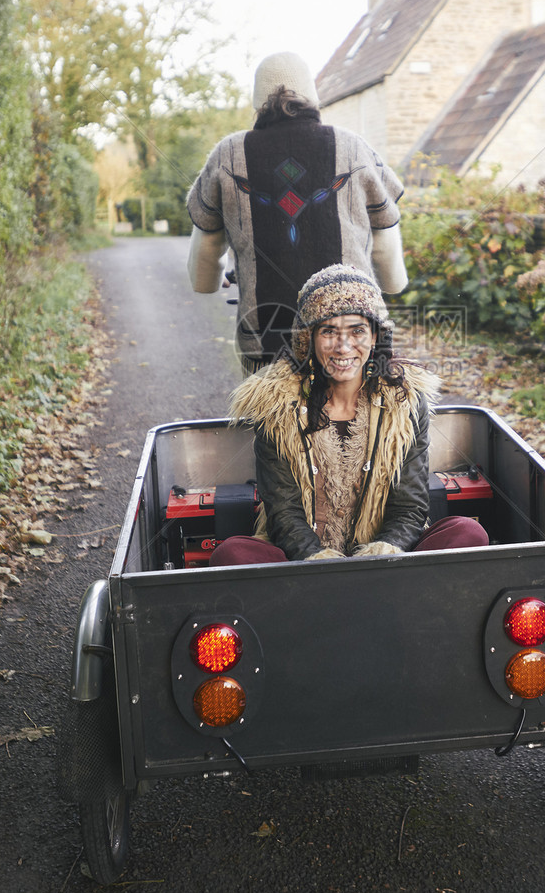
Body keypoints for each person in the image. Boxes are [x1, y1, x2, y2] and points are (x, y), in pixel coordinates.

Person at [208, 264, 489, 565]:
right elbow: (283, 511)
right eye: (329, 331)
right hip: (301, 564)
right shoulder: (277, 405)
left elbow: (409, 507)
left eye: (357, 330)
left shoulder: (404, 402)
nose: (343, 347)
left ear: (375, 336)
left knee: (468, 532)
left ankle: (385, 587)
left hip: (389, 562)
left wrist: (383, 554)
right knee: (232, 553)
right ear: (309, 339)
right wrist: (318, 560)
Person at [186, 52, 408, 374]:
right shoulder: (353, 149)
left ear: (257, 101)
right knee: (357, 419)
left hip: (265, 342)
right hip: (351, 339)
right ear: (312, 96)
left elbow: (207, 245)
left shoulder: (228, 155)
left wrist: (207, 281)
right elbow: (385, 236)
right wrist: (392, 285)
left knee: (272, 420)